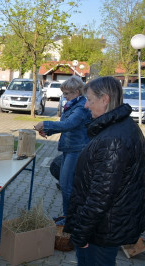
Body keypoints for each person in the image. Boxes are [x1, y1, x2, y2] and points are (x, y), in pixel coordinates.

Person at [64, 76, 145, 265]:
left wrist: (81, 233)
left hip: (101, 228)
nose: (86, 106)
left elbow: (100, 195)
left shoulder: (113, 139)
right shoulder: (118, 127)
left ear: (105, 99)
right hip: (104, 224)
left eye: (90, 100)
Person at [34, 76, 92, 226]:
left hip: (77, 150)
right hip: (70, 148)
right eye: (64, 93)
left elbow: (69, 124)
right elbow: (64, 126)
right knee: (67, 185)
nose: (64, 96)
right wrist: (48, 131)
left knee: (66, 186)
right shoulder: (73, 104)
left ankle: (69, 220)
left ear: (77, 91)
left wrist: (45, 123)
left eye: (67, 93)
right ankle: (69, 216)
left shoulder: (81, 107)